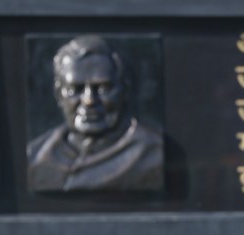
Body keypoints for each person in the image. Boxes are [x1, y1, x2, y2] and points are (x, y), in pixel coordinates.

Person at [27, 35, 164, 192]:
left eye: (103, 88)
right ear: (59, 94)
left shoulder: (152, 153)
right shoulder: (37, 155)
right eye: (74, 90)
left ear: (125, 90)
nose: (89, 101)